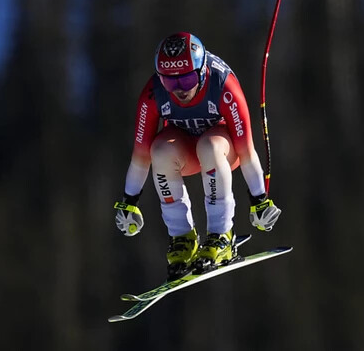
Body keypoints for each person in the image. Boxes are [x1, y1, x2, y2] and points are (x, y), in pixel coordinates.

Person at [113, 32, 282, 280]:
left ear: (202, 71)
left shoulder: (223, 85)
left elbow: (246, 150)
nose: (180, 90)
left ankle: (221, 235)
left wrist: (259, 200)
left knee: (210, 146)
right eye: (171, 83)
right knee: (159, 151)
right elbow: (140, 157)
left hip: (223, 150)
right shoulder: (153, 93)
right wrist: (128, 202)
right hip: (185, 149)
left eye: (187, 79)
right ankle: (182, 238)